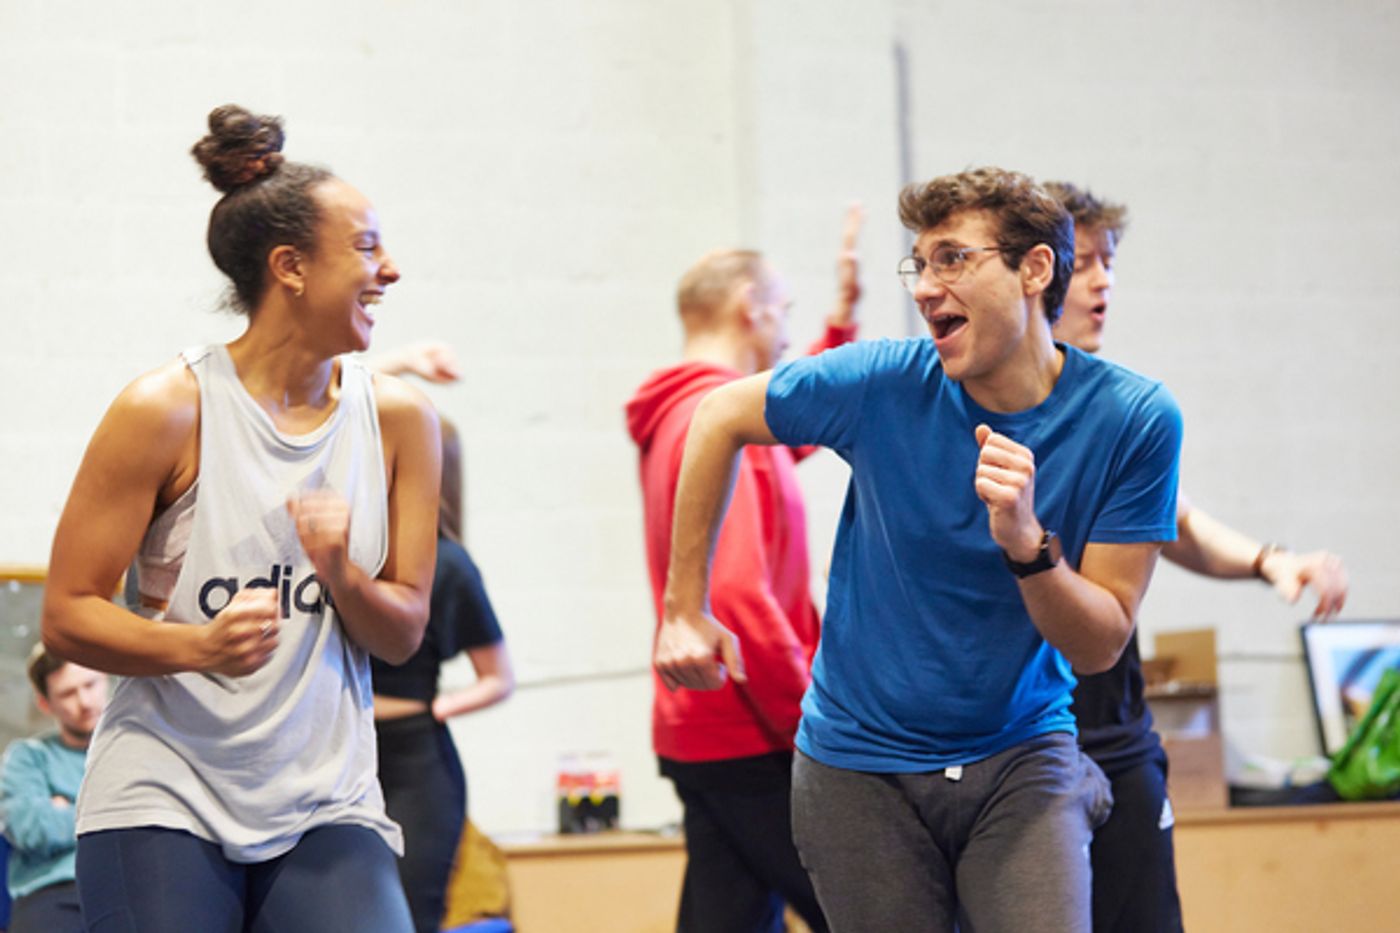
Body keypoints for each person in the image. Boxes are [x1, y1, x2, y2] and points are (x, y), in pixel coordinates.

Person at [655, 167, 1185, 932]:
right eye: (921, 263)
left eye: (954, 258)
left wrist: (1027, 546)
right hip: (858, 765)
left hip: (1022, 754)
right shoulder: (883, 383)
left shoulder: (1133, 418)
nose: (928, 286)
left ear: (1035, 269)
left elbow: (1100, 642)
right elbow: (717, 414)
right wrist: (683, 607)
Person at [40, 103, 440, 933]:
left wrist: (341, 572)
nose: (390, 269)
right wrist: (199, 645)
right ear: (290, 266)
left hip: (326, 797)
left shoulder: (401, 420)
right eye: (366, 246)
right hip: (164, 791)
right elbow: (69, 615)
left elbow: (402, 634)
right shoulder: (166, 408)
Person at [1046, 180, 1350, 933]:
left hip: (1115, 736)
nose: (1103, 280)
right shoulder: (981, 403)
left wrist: (1269, 560)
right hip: (1023, 744)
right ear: (1035, 272)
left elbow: (1169, 519)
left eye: (1108, 262)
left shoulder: (1117, 406)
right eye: (1084, 262)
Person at [626, 207, 862, 933]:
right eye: (784, 312)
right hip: (753, 728)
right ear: (750, 307)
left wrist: (840, 327)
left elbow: (785, 447)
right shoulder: (725, 422)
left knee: (724, 917)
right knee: (876, 910)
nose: (788, 332)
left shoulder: (685, 415)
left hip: (704, 727)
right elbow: (731, 596)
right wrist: (815, 723)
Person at [371, 412, 515, 933]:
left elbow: (498, 677)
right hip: (342, 756)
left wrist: (439, 708)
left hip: (416, 765)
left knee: (410, 916)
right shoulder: (353, 558)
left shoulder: (448, 565)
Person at [0, 648, 108, 933]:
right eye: (67, 693)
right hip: (54, 893)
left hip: (131, 886)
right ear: (45, 703)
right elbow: (32, 828)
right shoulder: (29, 757)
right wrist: (113, 812)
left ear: (105, 679)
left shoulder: (135, 750)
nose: (84, 702)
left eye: (90, 685)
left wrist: (66, 807)